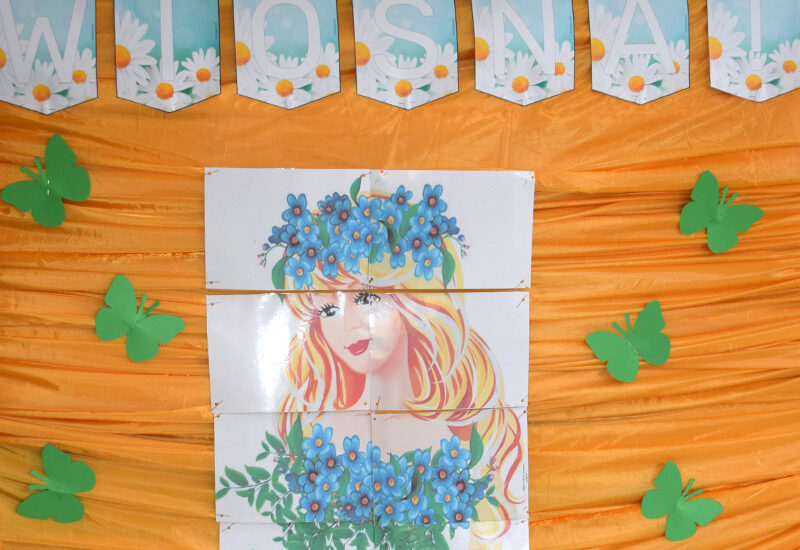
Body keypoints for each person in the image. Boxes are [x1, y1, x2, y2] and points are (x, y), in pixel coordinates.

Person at [261, 183, 525, 541]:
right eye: (328, 309)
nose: (348, 325)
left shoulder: (464, 441)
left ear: (410, 298)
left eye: (366, 298)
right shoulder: (310, 438)